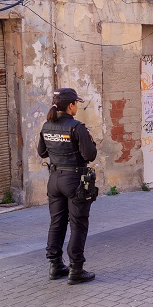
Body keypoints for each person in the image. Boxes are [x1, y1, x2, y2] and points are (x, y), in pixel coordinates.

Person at [38, 88, 99, 284]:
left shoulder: (47, 125)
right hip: (74, 180)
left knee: (57, 222)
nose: (77, 107)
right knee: (78, 224)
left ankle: (55, 265)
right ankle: (76, 269)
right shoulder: (76, 127)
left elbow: (42, 152)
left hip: (54, 179)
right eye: (76, 103)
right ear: (70, 105)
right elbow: (90, 155)